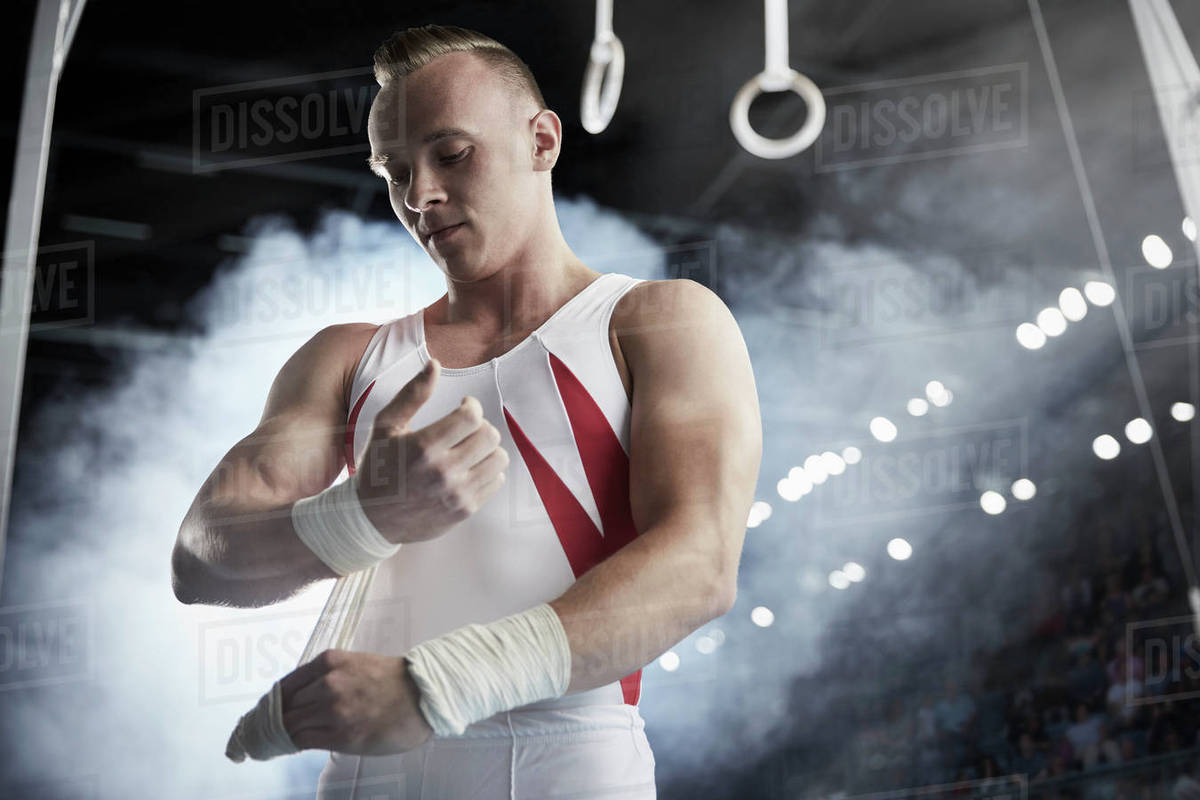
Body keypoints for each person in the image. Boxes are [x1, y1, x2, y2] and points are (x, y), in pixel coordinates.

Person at [170, 23, 761, 800]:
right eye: (395, 172)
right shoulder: (347, 359)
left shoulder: (658, 322)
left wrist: (434, 687)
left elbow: (699, 566)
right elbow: (199, 561)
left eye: (451, 155)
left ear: (543, 140)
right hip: (366, 775)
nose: (420, 197)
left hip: (565, 764)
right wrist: (361, 513)